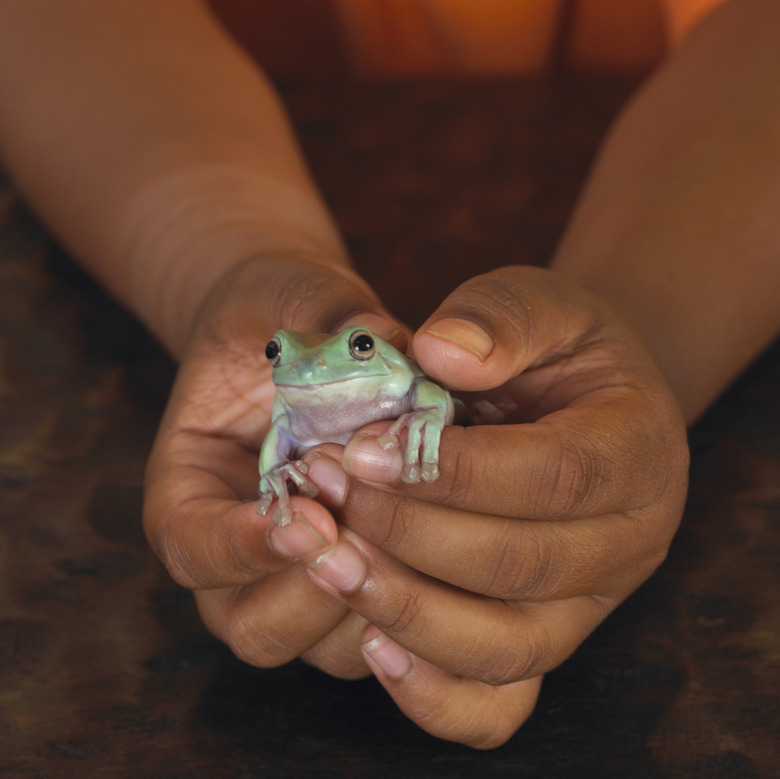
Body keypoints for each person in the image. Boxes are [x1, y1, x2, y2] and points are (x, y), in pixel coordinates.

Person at [0, 0, 778, 750]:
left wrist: (647, 329)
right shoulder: (293, 398)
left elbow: (433, 394)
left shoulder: (400, 378)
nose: (301, 365)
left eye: (358, 347)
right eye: (280, 357)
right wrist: (225, 259)